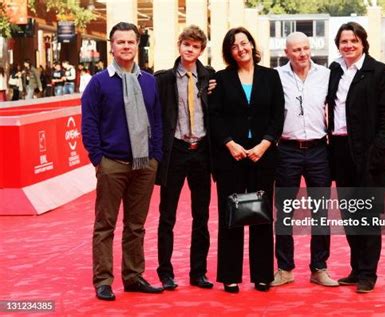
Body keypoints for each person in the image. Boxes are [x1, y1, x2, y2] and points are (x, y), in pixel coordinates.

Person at [81, 22, 164, 301]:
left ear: (137, 45)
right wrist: (98, 160)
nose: (126, 46)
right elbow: (89, 124)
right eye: (120, 42)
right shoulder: (99, 83)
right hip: (112, 163)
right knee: (105, 225)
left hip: (144, 164)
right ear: (112, 46)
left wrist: (155, 156)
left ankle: (133, 276)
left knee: (136, 225)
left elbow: (158, 122)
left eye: (131, 42)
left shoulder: (149, 82)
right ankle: (103, 280)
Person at [210, 27, 284, 293]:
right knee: (230, 215)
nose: (240, 48)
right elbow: (215, 117)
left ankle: (262, 275)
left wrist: (264, 144)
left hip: (262, 157)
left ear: (252, 44)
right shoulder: (221, 79)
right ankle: (230, 276)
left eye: (244, 42)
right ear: (229, 52)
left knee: (261, 215)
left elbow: (278, 115)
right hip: (231, 157)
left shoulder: (271, 76)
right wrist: (230, 144)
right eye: (234, 45)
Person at [326, 22, 385, 293]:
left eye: (354, 41)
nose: (349, 46)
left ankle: (369, 274)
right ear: (338, 44)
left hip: (368, 154)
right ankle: (357, 269)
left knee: (367, 215)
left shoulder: (378, 71)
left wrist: (377, 151)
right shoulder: (334, 71)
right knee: (349, 215)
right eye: (344, 41)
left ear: (363, 43)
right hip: (340, 151)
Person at [271, 32, 338, 288]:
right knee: (284, 212)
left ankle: (319, 268)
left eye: (306, 48)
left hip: (319, 150)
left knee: (321, 212)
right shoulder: (276, 77)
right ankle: (285, 268)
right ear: (286, 53)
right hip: (286, 149)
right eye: (296, 50)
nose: (302, 54)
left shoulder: (326, 75)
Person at [154, 25, 215, 291]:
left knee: (201, 216)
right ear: (180, 45)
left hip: (202, 151)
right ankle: (165, 272)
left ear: (202, 50)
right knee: (167, 216)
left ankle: (198, 272)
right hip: (175, 151)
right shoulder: (163, 79)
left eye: (196, 46)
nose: (190, 50)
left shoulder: (210, 77)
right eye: (186, 44)